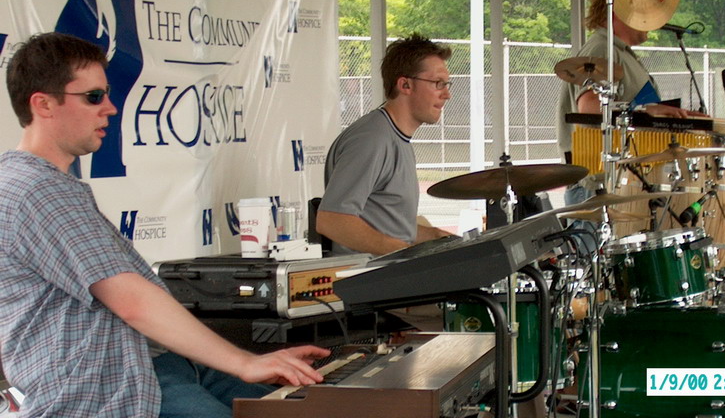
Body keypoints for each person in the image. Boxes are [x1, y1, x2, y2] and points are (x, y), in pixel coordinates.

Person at [0, 32, 329, 418]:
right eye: (93, 97)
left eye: (107, 94)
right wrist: (245, 363)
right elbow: (132, 301)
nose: (110, 108)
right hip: (111, 389)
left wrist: (245, 362)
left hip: (159, 363)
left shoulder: (38, 184)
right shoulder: (38, 190)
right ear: (43, 104)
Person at [556, 0, 705, 206]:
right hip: (598, 182)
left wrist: (672, 116)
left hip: (618, 178)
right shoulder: (603, 49)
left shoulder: (619, 52)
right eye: (643, 12)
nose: (649, 20)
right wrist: (646, 110)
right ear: (617, 12)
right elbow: (589, 107)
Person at [317, 34, 452, 256]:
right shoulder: (372, 139)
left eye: (446, 84)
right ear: (405, 84)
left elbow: (387, 228)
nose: (447, 94)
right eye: (438, 83)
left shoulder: (395, 138)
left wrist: (437, 237)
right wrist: (409, 256)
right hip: (370, 276)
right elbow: (332, 219)